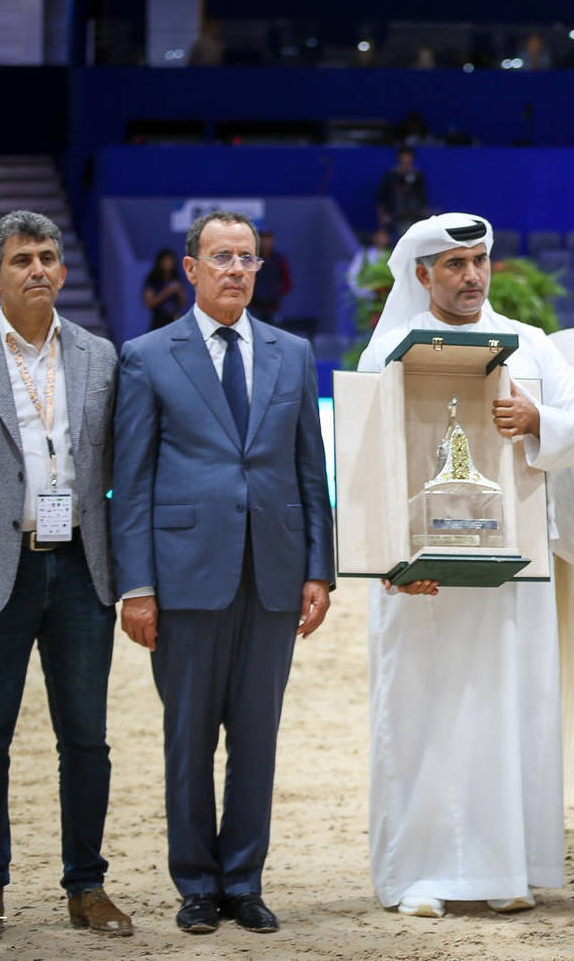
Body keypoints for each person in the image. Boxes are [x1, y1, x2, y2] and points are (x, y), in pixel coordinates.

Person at [357, 213, 574, 917]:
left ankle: (504, 870)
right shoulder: (389, 355)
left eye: (478, 261)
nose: (470, 276)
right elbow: (368, 463)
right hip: (421, 584)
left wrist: (537, 421)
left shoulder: (529, 347)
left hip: (509, 576)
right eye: (454, 264)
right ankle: (422, 873)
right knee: (420, 714)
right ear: (422, 275)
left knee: (508, 709)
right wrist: (392, 560)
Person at [112, 210, 333, 935]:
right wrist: (137, 586)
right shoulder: (146, 356)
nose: (236, 268)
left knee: (257, 738)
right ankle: (196, 882)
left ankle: (244, 880)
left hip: (272, 575)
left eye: (247, 257)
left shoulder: (292, 353)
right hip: (183, 578)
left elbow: (309, 470)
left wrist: (317, 569)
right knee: (188, 739)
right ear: (190, 268)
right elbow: (132, 481)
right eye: (221, 257)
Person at [0, 211, 131, 944]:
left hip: (82, 567)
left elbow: (120, 465)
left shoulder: (100, 357)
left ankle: (87, 886)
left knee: (87, 738)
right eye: (22, 260)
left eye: (48, 256)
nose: (39, 269)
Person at [375, 147, 429, 240]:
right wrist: (382, 216)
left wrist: (424, 213)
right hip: (394, 217)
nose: (406, 165)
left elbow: (422, 197)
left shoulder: (418, 176)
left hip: (414, 217)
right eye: (404, 162)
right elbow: (381, 198)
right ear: (399, 160)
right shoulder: (390, 176)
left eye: (408, 162)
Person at [247, 230, 292, 325]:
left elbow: (287, 282)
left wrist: (275, 293)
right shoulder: (251, 260)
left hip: (273, 306)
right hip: (254, 305)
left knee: (274, 333)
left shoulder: (279, 260)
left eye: (269, 240)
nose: (266, 243)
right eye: (263, 240)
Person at [142, 248, 187, 331]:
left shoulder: (176, 279)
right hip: (158, 322)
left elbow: (183, 302)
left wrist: (179, 291)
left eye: (170, 261)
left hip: (174, 321)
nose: (168, 264)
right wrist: (166, 292)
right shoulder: (152, 280)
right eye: (165, 261)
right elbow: (150, 303)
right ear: (160, 262)